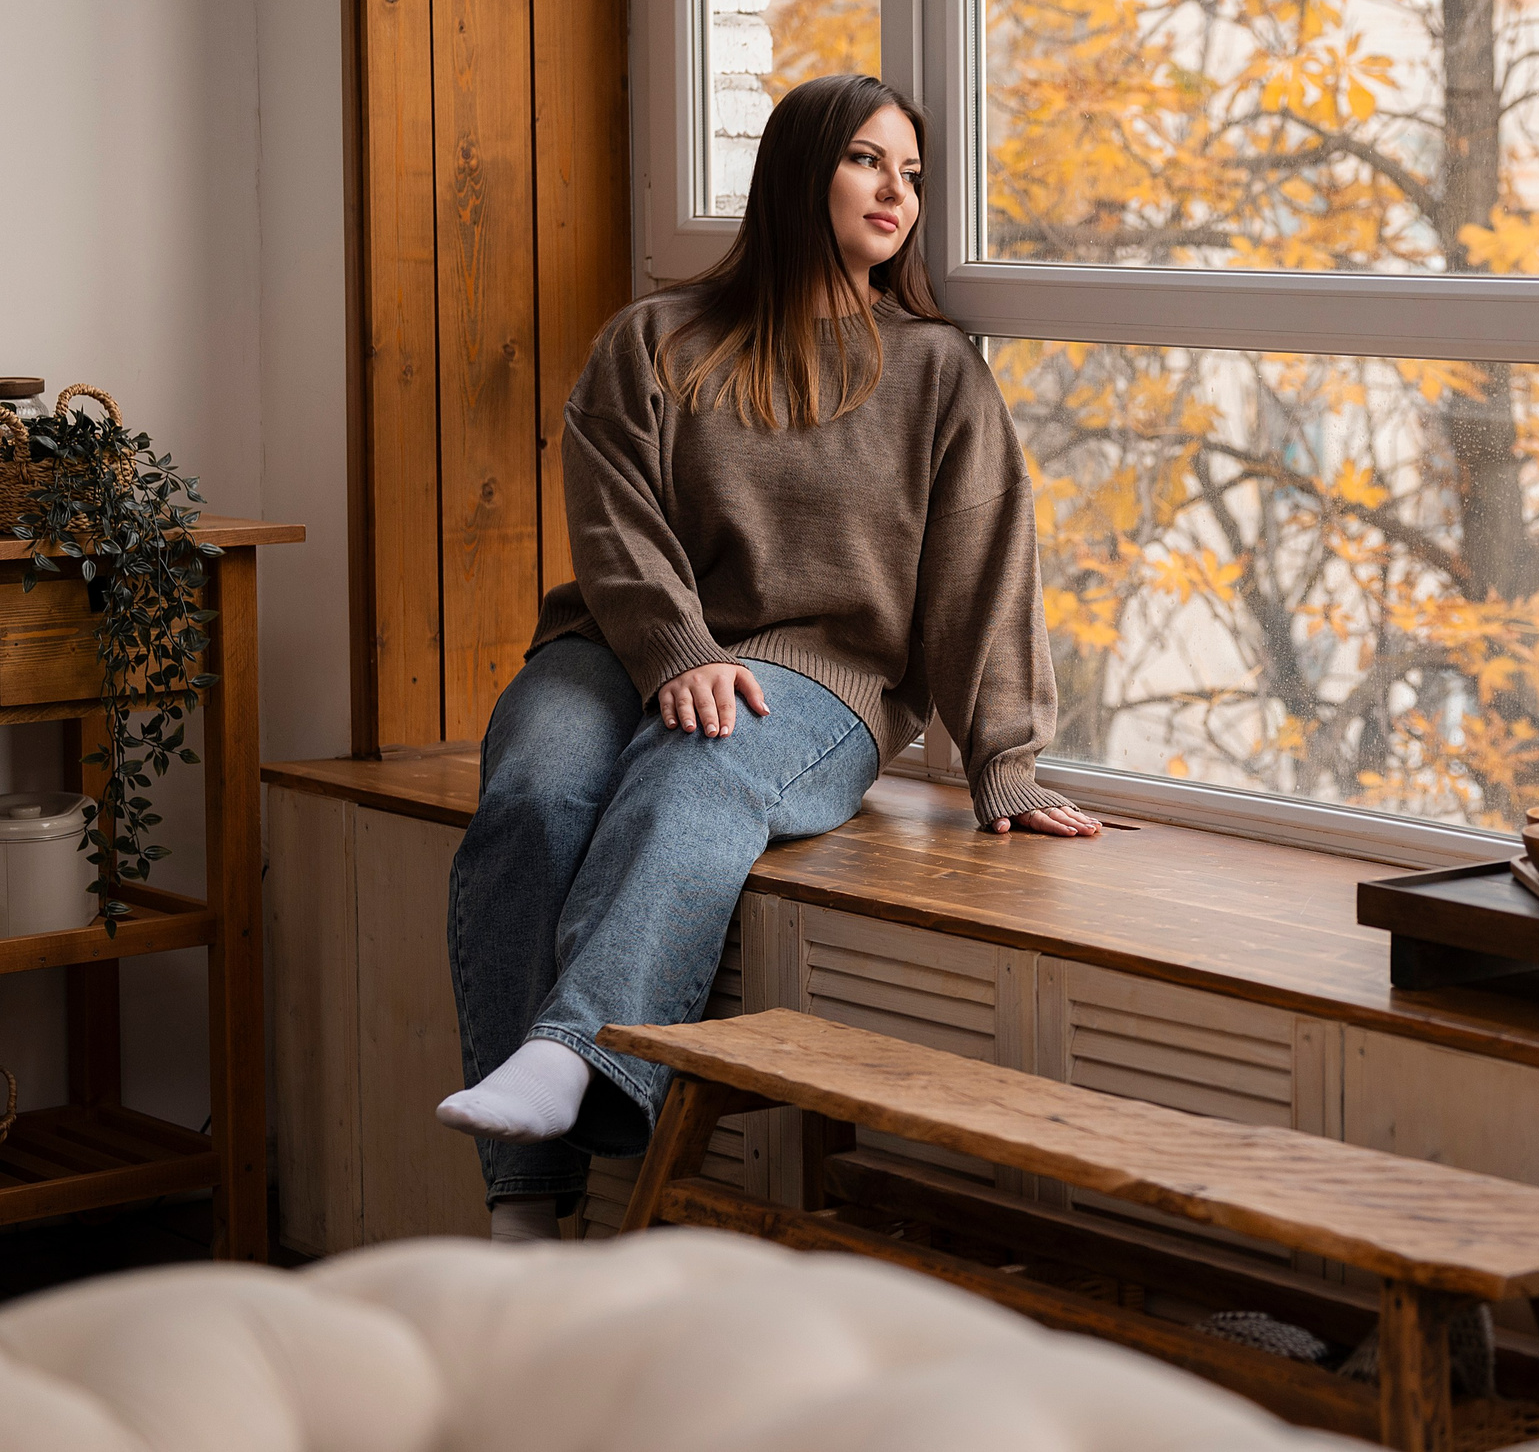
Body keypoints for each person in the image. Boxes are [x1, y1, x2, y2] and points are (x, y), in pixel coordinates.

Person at [435, 74, 1101, 1242]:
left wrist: (1005, 760)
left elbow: (984, 562)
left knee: (701, 763)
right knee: (535, 792)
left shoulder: (939, 368)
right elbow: (612, 518)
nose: (897, 191)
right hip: (621, 638)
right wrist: (675, 648)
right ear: (800, 174)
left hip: (820, 674)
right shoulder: (654, 339)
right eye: (866, 161)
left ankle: (566, 1052)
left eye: (912, 171)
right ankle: (522, 1209)